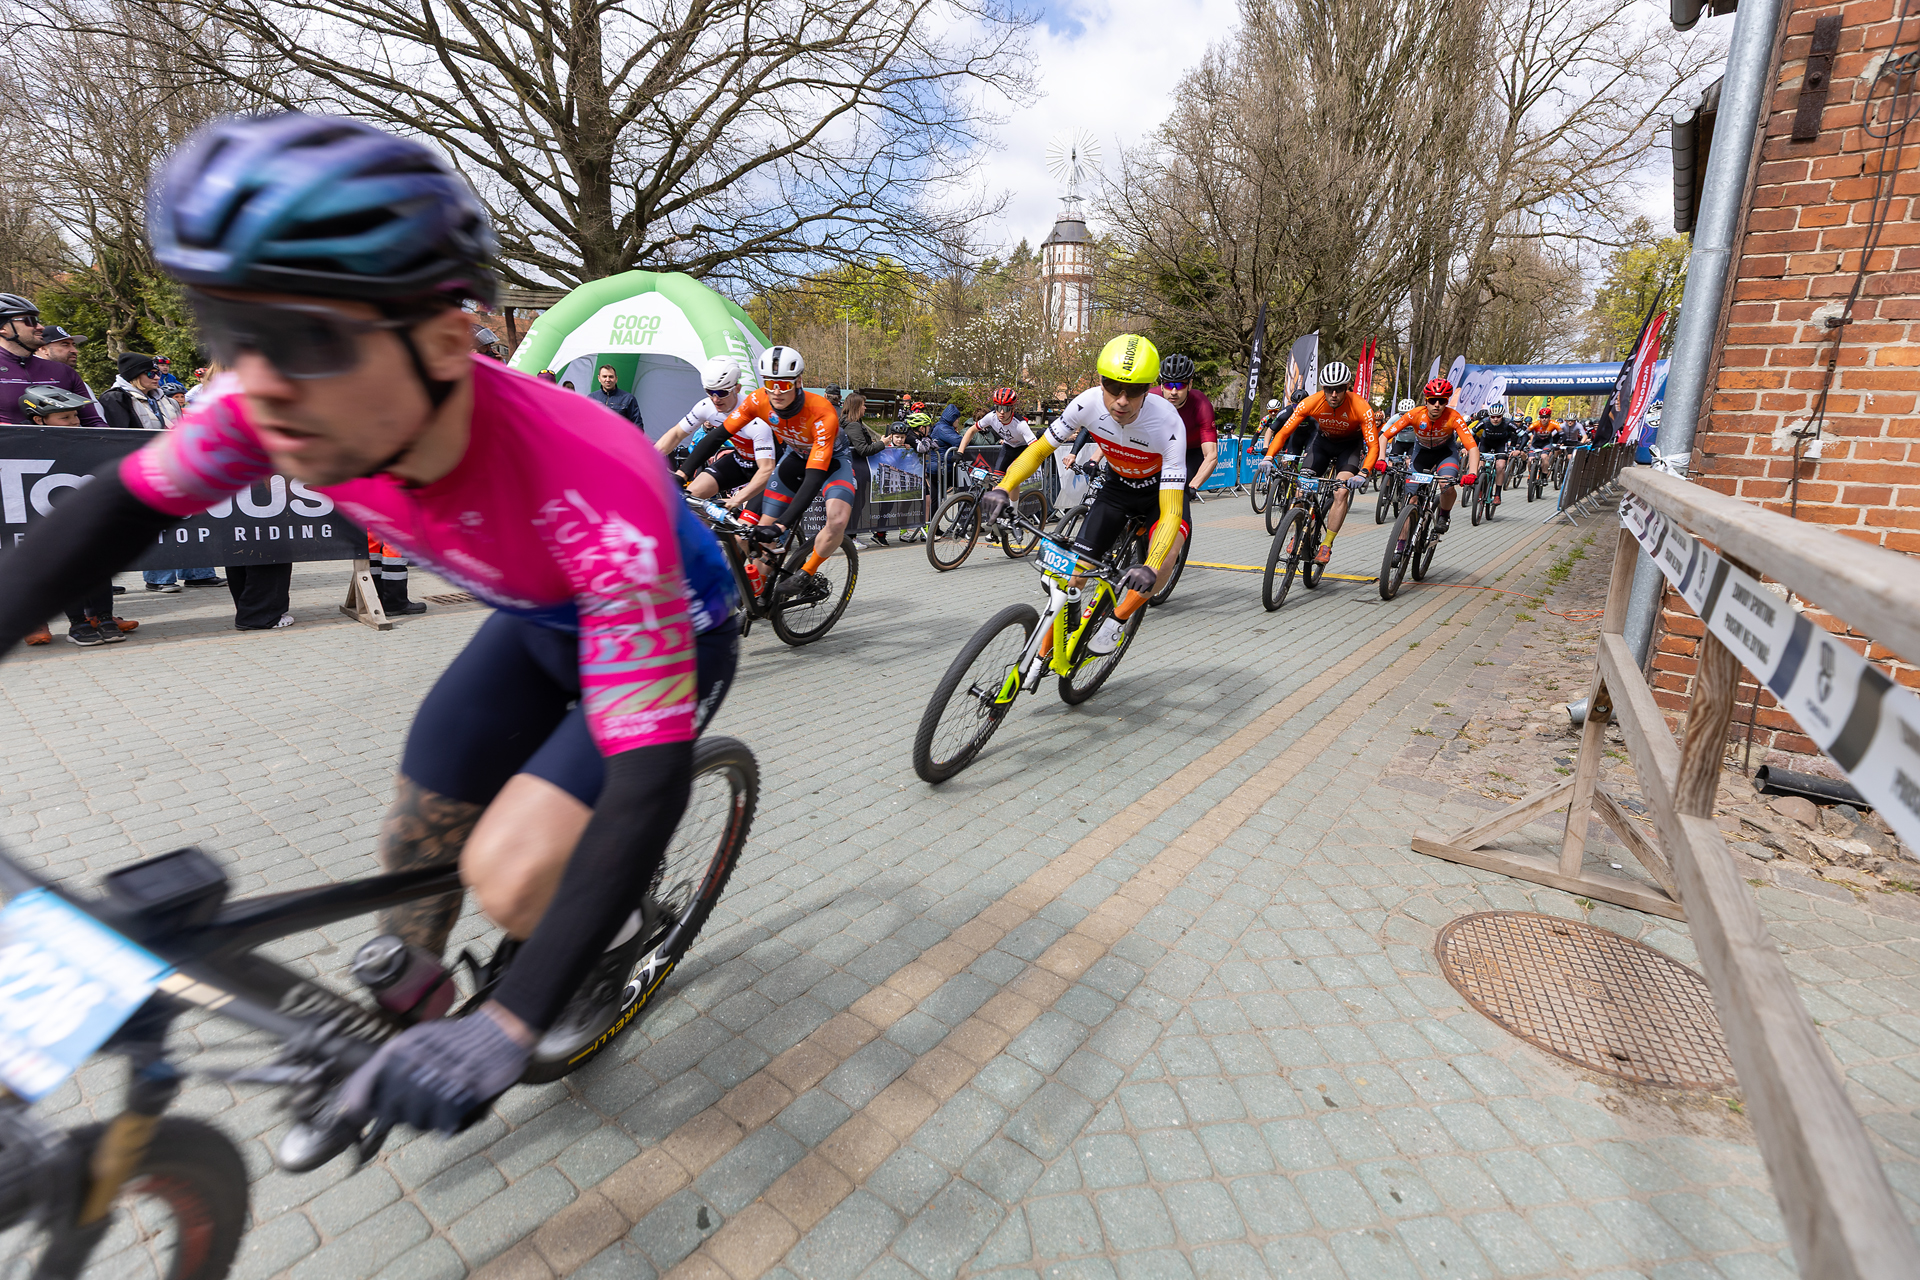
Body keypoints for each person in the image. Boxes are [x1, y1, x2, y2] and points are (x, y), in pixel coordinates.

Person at [0, 112, 743, 1137]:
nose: (257, 382)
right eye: (229, 332)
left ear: (446, 341)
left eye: (309, 339)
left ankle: (580, 959)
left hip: (671, 628)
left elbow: (645, 781)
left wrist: (511, 1025)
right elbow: (114, 510)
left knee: (510, 875)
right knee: (413, 832)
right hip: (536, 620)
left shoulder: (589, 480)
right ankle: (405, 1026)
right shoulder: (283, 403)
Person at [980, 334, 1184, 657]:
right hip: (1117, 489)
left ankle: (1119, 618)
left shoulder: (1168, 423)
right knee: (1074, 576)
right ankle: (1040, 659)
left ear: (1148, 389)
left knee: (1163, 562)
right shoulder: (1086, 403)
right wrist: (1005, 487)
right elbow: (1039, 450)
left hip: (1159, 496)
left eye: (1133, 390)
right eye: (1113, 386)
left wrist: (1152, 564)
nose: (1122, 400)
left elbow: (1172, 510)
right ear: (1100, 381)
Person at [682, 344, 855, 602]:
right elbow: (718, 436)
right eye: (770, 383)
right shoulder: (757, 400)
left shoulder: (822, 412)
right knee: (761, 535)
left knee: (837, 519)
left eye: (783, 384)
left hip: (832, 463)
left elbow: (814, 477)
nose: (776, 391)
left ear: (798, 382)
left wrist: (782, 525)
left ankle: (808, 571)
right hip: (795, 457)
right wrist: (682, 474)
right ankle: (757, 596)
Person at [15, 385, 138, 646]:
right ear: (39, 419)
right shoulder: (22, 444)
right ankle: (77, 623)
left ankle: (103, 617)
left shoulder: (85, 441)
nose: (75, 421)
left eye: (76, 416)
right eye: (65, 417)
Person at [1264, 361, 1379, 567]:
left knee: (1341, 492)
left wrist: (1363, 473)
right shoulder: (1311, 402)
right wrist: (1268, 457)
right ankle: (1299, 531)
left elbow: (1373, 446)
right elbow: (1283, 432)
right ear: (1322, 388)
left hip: (1348, 449)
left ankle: (1326, 544)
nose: (1334, 394)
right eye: (1329, 389)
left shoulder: (1361, 407)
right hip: (1322, 445)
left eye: (1339, 389)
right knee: (1301, 489)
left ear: (1347, 387)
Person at [655, 356, 774, 515]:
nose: (715, 399)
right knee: (689, 499)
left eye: (722, 392)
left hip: (767, 469)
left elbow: (766, 469)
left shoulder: (756, 420)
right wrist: (647, 458)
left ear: (737, 388)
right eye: (710, 392)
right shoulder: (706, 407)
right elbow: (676, 434)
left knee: (746, 524)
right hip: (740, 461)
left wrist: (736, 500)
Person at [1378, 377, 1479, 543]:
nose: (1437, 405)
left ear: (1447, 402)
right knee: (1410, 499)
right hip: (1421, 454)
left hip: (1445, 454)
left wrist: (1472, 473)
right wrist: (1382, 459)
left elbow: (1472, 447)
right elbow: (1384, 436)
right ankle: (1400, 547)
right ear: (1426, 401)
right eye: (1433, 400)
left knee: (1446, 485)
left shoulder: (1453, 417)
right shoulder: (1415, 414)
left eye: (1442, 401)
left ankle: (1444, 515)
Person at [1150, 354, 1216, 566]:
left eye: (1180, 385)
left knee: (1179, 491)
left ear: (1190, 384)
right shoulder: (1150, 399)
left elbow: (1211, 455)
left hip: (1190, 452)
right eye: (1168, 385)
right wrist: (1096, 458)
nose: (1174, 391)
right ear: (1161, 384)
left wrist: (1193, 485)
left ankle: (1172, 540)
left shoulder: (1201, 404)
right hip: (1161, 449)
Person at [0, 296, 106, 427]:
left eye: (38, 321)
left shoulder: (63, 371)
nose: (41, 327)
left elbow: (93, 422)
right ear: (3, 328)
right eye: (30, 321)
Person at [957, 387, 1036, 472]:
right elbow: (971, 430)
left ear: (1012, 409)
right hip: (1008, 446)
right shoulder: (991, 417)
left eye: (1005, 408)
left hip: (1024, 448)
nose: (1002, 412)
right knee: (996, 477)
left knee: (1011, 472)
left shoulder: (1020, 424)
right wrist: (960, 452)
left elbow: (1035, 447)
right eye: (998, 407)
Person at [101, 354, 171, 429]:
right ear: (134, 376)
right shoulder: (115, 398)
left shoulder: (162, 397)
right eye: (150, 374)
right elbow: (120, 434)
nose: (157, 378)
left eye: (158, 373)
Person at [1477, 402, 1520, 499]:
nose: (1495, 419)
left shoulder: (1508, 423)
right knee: (1479, 464)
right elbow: (1470, 433)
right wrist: (1466, 447)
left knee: (1500, 466)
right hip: (1485, 444)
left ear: (1502, 416)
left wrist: (1518, 449)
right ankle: (1479, 488)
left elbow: (1524, 435)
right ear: (1489, 416)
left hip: (1500, 445)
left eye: (1498, 416)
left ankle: (1497, 494)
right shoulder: (1485, 421)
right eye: (1493, 417)